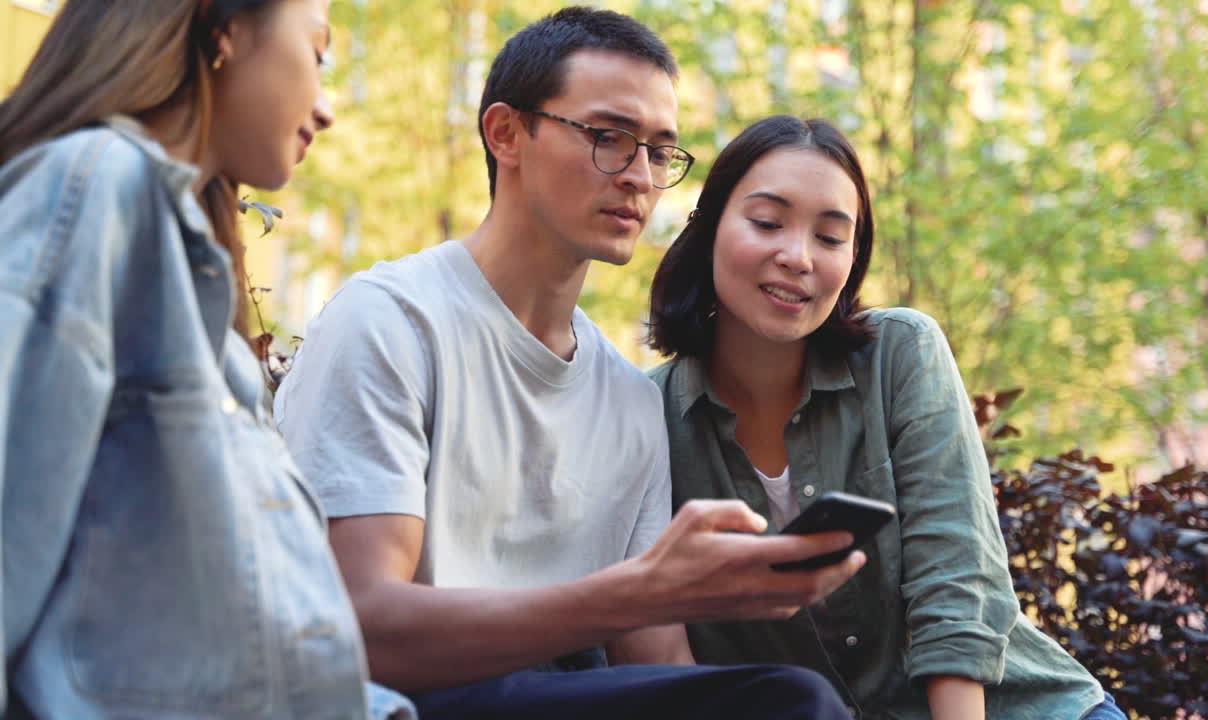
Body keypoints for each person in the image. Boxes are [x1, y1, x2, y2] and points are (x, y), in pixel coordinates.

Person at [274, 7, 865, 719]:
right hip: (404, 701)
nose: (640, 176)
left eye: (659, 152)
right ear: (506, 133)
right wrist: (638, 590)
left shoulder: (629, 400)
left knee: (774, 700)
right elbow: (361, 632)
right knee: (787, 703)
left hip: (555, 694)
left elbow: (656, 666)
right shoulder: (392, 320)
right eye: (609, 139)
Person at [0, 1, 413, 717]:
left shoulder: (194, 291)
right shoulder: (93, 185)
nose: (327, 108)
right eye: (317, 55)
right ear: (222, 29)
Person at [647, 115, 1127, 720]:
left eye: (829, 237)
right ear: (709, 226)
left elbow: (956, 577)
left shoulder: (900, 352)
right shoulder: (649, 416)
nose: (797, 257)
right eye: (767, 223)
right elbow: (664, 650)